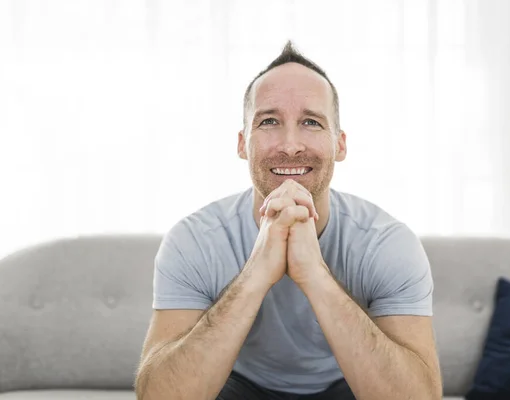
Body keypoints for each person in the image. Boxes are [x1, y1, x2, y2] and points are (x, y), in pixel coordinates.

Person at [134, 41, 442, 400]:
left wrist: (313, 273)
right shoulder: (192, 241)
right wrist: (256, 273)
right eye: (269, 122)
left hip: (347, 384)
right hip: (237, 385)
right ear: (242, 144)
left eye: (311, 122)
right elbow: (158, 396)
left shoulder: (388, 243)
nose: (291, 145)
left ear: (339, 144)